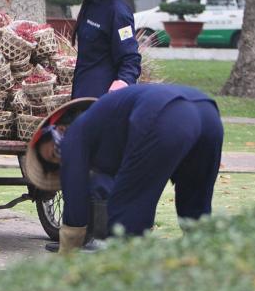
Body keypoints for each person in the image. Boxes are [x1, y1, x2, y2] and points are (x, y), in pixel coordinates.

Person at [25, 84, 224, 254]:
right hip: (208, 113)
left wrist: (67, 251)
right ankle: (205, 268)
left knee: (126, 213)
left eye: (52, 152)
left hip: (166, 114)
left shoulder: (75, 135)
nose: (61, 157)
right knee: (195, 208)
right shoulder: (104, 125)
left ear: (59, 129)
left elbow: (75, 192)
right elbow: (109, 183)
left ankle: (124, 282)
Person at [46, 0, 142, 98]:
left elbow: (130, 58)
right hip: (82, 91)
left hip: (103, 98)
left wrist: (124, 81)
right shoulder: (89, 1)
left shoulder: (117, 11)